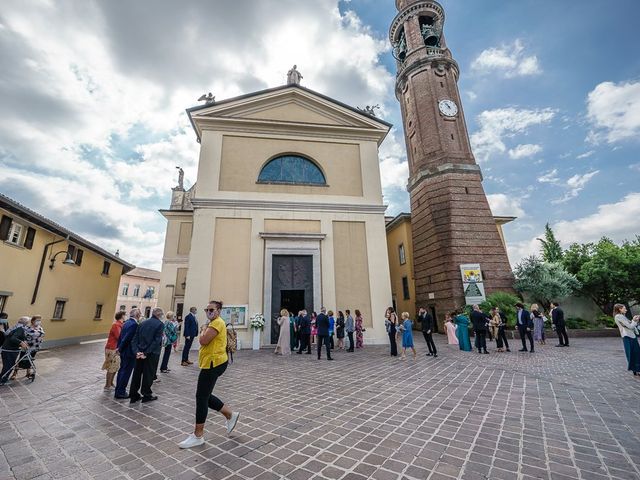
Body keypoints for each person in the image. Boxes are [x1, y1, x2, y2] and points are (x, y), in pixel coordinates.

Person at [178, 300, 240, 448]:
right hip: (211, 362)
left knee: (201, 397)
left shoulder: (217, 323)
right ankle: (230, 414)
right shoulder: (214, 323)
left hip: (214, 363)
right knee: (204, 395)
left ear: (218, 311)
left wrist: (202, 330)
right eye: (206, 310)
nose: (208, 312)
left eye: (211, 310)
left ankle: (198, 435)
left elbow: (203, 340)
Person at [129, 308, 164, 403]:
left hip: (139, 352)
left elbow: (135, 339)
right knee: (148, 374)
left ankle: (133, 394)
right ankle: (146, 394)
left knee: (137, 374)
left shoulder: (142, 323)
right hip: (151, 354)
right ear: (159, 315)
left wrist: (137, 351)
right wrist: (146, 352)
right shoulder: (160, 324)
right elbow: (156, 341)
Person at [114, 308, 141, 399]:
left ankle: (118, 390)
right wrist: (120, 349)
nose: (140, 315)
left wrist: (119, 348)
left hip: (124, 351)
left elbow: (121, 337)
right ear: (137, 315)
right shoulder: (134, 325)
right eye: (139, 314)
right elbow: (126, 338)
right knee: (126, 372)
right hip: (129, 352)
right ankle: (121, 392)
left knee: (122, 371)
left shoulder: (126, 323)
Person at [0, 316, 29, 385]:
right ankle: (2, 380)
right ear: (25, 323)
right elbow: (13, 338)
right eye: (27, 322)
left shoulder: (15, 327)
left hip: (6, 349)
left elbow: (7, 335)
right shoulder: (20, 328)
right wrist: (21, 343)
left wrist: (23, 340)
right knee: (9, 366)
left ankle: (2, 378)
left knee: (7, 365)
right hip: (10, 350)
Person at [613, 304, 640, 376]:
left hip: (630, 336)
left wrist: (635, 320)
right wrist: (634, 320)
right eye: (624, 308)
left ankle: (636, 369)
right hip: (628, 337)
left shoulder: (622, 316)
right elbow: (630, 326)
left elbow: (630, 324)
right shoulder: (619, 317)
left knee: (634, 353)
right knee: (634, 353)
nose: (626, 310)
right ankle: (636, 369)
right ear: (619, 309)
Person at [102, 311, 125, 389]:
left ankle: (111, 383)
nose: (126, 316)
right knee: (111, 367)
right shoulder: (116, 325)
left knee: (115, 366)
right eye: (125, 315)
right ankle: (107, 385)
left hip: (115, 348)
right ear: (122, 316)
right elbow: (119, 336)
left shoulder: (120, 325)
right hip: (112, 348)